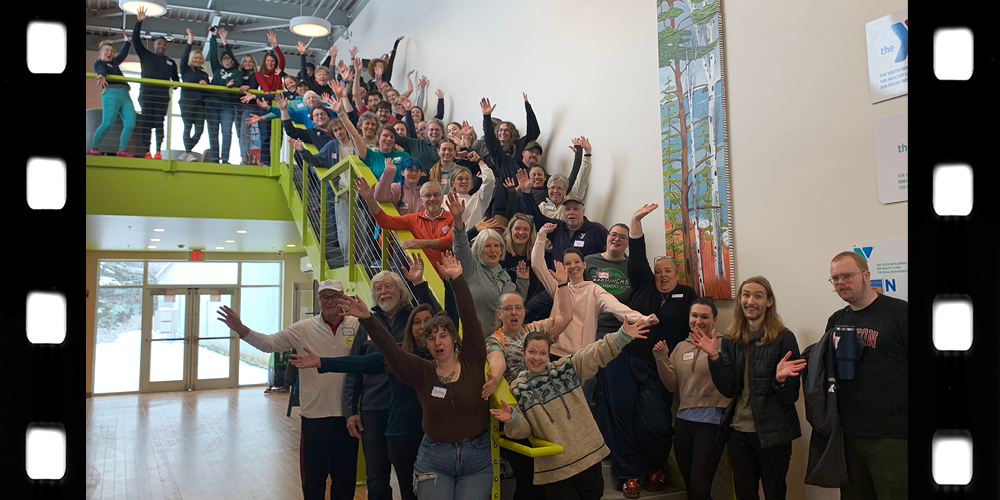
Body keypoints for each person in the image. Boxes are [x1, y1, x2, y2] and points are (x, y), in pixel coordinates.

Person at [339, 251, 493, 500]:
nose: (437, 342)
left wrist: (457, 281)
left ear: (454, 339)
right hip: (434, 458)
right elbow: (391, 350)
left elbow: (470, 319)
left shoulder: (472, 360)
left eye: (443, 335)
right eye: (431, 338)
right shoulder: (422, 371)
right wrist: (367, 318)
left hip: (476, 457)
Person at [216, 279, 360, 500]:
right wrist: (240, 329)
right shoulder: (304, 328)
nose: (329, 301)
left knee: (345, 480)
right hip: (314, 416)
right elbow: (269, 344)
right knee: (313, 480)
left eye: (334, 296)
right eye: (324, 297)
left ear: (343, 298)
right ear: (318, 300)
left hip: (348, 417)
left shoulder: (358, 325)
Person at [491, 315, 658, 500]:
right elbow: (525, 430)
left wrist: (622, 335)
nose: (537, 358)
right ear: (524, 352)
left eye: (542, 353)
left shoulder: (566, 368)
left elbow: (595, 352)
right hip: (554, 468)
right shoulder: (517, 388)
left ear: (549, 353)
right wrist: (513, 419)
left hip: (588, 457)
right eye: (532, 352)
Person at [291, 302, 436, 500]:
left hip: (434, 435)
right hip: (403, 436)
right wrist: (322, 362)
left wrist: (439, 283)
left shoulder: (445, 358)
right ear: (410, 329)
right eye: (417, 322)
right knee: (404, 488)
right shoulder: (400, 356)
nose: (423, 326)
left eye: (428, 321)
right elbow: (361, 362)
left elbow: (454, 316)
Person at [690, 276, 804, 500]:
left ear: (769, 302)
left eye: (758, 296)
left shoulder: (784, 338)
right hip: (738, 433)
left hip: (773, 435)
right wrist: (714, 357)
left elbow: (790, 397)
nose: (751, 301)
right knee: (744, 494)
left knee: (774, 493)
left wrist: (780, 380)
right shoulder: (732, 339)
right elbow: (728, 389)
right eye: (746, 295)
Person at [341, 258, 439, 500]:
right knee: (376, 474)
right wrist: (351, 410)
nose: (383, 292)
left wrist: (419, 283)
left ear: (400, 290)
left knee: (413, 475)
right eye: (378, 288)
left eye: (388, 286)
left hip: (410, 410)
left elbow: (436, 319)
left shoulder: (413, 318)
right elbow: (355, 368)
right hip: (374, 410)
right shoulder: (366, 323)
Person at [822, 251, 908, 499]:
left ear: (866, 275)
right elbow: (825, 369)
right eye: (835, 279)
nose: (840, 283)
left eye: (847, 276)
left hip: (892, 436)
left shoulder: (899, 313)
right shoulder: (836, 320)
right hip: (849, 435)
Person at [483, 270, 573, 500]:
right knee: (528, 479)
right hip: (521, 413)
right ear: (499, 313)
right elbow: (497, 360)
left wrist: (562, 284)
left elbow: (566, 317)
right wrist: (493, 377)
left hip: (549, 408)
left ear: (524, 311)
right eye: (508, 309)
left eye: (518, 308)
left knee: (552, 478)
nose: (514, 312)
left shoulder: (535, 329)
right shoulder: (496, 338)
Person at [531, 223, 652, 362]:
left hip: (581, 357)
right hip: (553, 353)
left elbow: (616, 307)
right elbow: (537, 264)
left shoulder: (594, 290)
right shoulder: (558, 288)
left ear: (584, 265)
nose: (573, 266)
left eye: (576, 262)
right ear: (563, 267)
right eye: (568, 263)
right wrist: (541, 235)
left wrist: (643, 319)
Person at [652, 298, 730, 500]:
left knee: (699, 487)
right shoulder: (681, 348)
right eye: (694, 315)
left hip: (712, 422)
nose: (698, 321)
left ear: (714, 320)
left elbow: (729, 382)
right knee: (692, 488)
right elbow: (671, 385)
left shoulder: (726, 344)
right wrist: (661, 357)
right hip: (684, 423)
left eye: (705, 316)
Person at [447, 192, 528, 337]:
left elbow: (516, 307)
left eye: (497, 246)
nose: (493, 250)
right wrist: (457, 218)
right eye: (487, 246)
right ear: (479, 249)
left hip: (503, 341)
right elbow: (460, 244)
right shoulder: (471, 268)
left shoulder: (505, 276)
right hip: (477, 341)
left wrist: (522, 281)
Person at [354, 176, 453, 266]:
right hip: (423, 274)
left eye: (436, 195)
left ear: (441, 198)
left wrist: (421, 243)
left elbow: (450, 241)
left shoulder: (451, 218)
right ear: (421, 200)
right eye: (428, 195)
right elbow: (385, 222)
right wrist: (370, 200)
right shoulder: (413, 219)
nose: (432, 198)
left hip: (448, 274)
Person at [131, 6, 180, 159]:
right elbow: (135, 40)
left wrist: (177, 84)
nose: (162, 46)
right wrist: (139, 22)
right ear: (154, 45)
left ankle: (158, 151)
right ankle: (147, 151)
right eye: (159, 44)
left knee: (159, 123)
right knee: (147, 123)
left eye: (164, 45)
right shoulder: (146, 55)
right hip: (146, 94)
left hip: (162, 97)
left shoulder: (170, 62)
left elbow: (177, 81)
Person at [480, 95, 540, 218]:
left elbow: (534, 131)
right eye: (500, 130)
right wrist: (486, 117)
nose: (502, 132)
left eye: (506, 130)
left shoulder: (520, 144)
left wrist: (527, 106)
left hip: (522, 196)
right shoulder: (500, 157)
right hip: (502, 196)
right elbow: (491, 141)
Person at [88, 36, 136, 157]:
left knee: (130, 123)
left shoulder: (114, 62)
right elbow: (100, 69)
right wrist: (101, 75)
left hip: (125, 94)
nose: (109, 53)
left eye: (111, 51)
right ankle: (93, 147)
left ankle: (122, 150)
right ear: (101, 52)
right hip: (111, 93)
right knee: (107, 122)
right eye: (106, 50)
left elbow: (122, 54)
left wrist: (127, 42)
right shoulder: (99, 63)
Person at [204, 27, 242, 164]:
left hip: (227, 105)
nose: (226, 60)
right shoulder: (217, 69)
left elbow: (237, 83)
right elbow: (213, 54)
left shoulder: (237, 73)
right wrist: (213, 37)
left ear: (232, 61)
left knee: (226, 132)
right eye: (224, 59)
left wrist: (231, 85)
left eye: (229, 59)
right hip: (212, 102)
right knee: (213, 132)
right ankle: (215, 159)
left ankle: (225, 159)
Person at [538, 138, 593, 220]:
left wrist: (587, 154)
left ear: (565, 190)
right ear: (548, 189)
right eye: (552, 187)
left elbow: (582, 179)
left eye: (559, 188)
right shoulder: (542, 207)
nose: (555, 191)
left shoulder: (571, 202)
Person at [177, 28, 210, 161]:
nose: (197, 60)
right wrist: (190, 40)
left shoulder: (204, 74)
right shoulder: (186, 70)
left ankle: (186, 152)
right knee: (188, 127)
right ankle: (189, 154)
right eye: (195, 58)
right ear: (192, 59)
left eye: (199, 58)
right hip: (187, 102)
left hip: (200, 103)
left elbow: (209, 91)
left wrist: (206, 86)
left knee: (199, 130)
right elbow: (183, 59)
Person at [500, 212, 545, 301]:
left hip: (527, 304)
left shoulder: (537, 255)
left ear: (531, 232)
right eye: (517, 228)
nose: (521, 232)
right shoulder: (500, 252)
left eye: (526, 229)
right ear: (510, 230)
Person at [443, 157, 495, 229]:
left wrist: (479, 160)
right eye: (460, 179)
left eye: (467, 178)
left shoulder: (479, 199)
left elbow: (490, 179)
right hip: (449, 238)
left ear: (471, 182)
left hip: (474, 239)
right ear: (452, 183)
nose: (464, 181)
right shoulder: (444, 199)